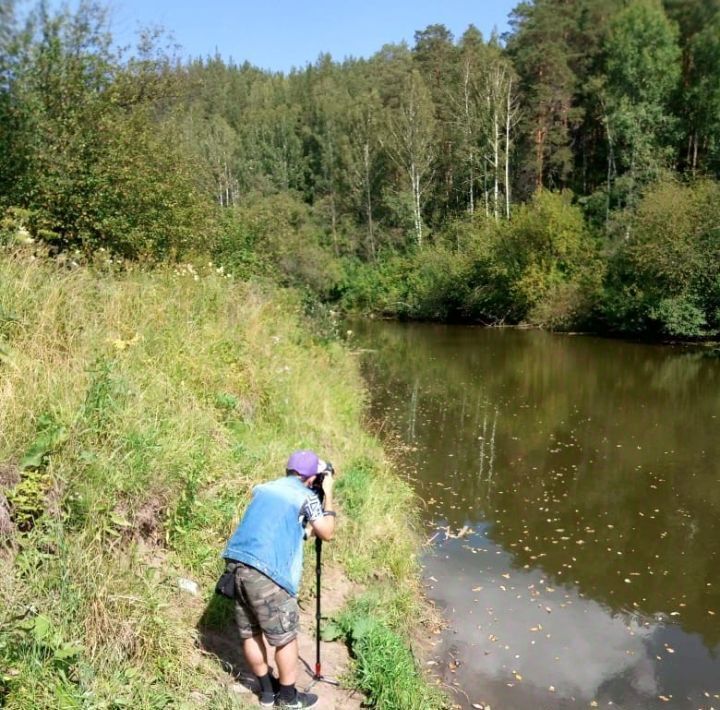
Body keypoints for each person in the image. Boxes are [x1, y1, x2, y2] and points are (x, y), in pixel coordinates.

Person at [222, 450, 336, 709]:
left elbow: (277, 529)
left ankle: (266, 693)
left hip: (237, 565)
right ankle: (288, 698)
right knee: (285, 637)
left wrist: (305, 531)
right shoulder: (307, 496)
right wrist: (328, 493)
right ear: (311, 478)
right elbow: (327, 532)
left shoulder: (265, 489)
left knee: (250, 631)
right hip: (267, 574)